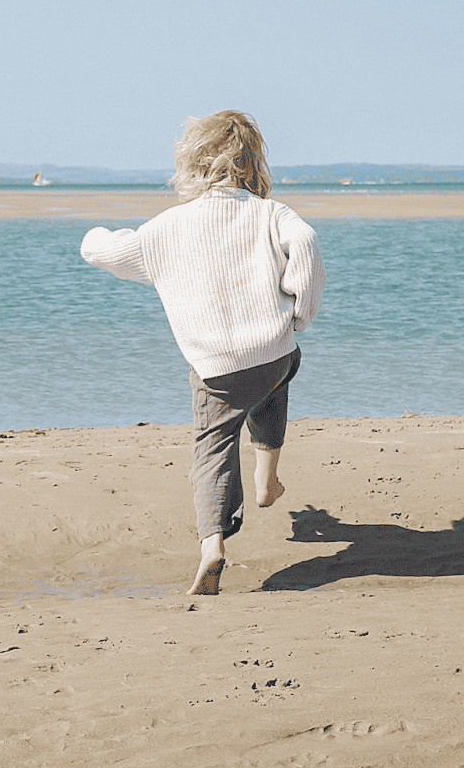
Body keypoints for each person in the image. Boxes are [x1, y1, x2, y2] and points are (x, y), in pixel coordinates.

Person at [80, 111, 324, 595]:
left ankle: (212, 544)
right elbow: (307, 242)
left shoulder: (166, 229)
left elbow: (110, 252)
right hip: (273, 351)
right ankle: (266, 480)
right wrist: (299, 311)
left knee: (212, 446)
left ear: (191, 164)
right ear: (254, 165)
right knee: (275, 380)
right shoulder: (272, 214)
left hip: (215, 368)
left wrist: (91, 238)